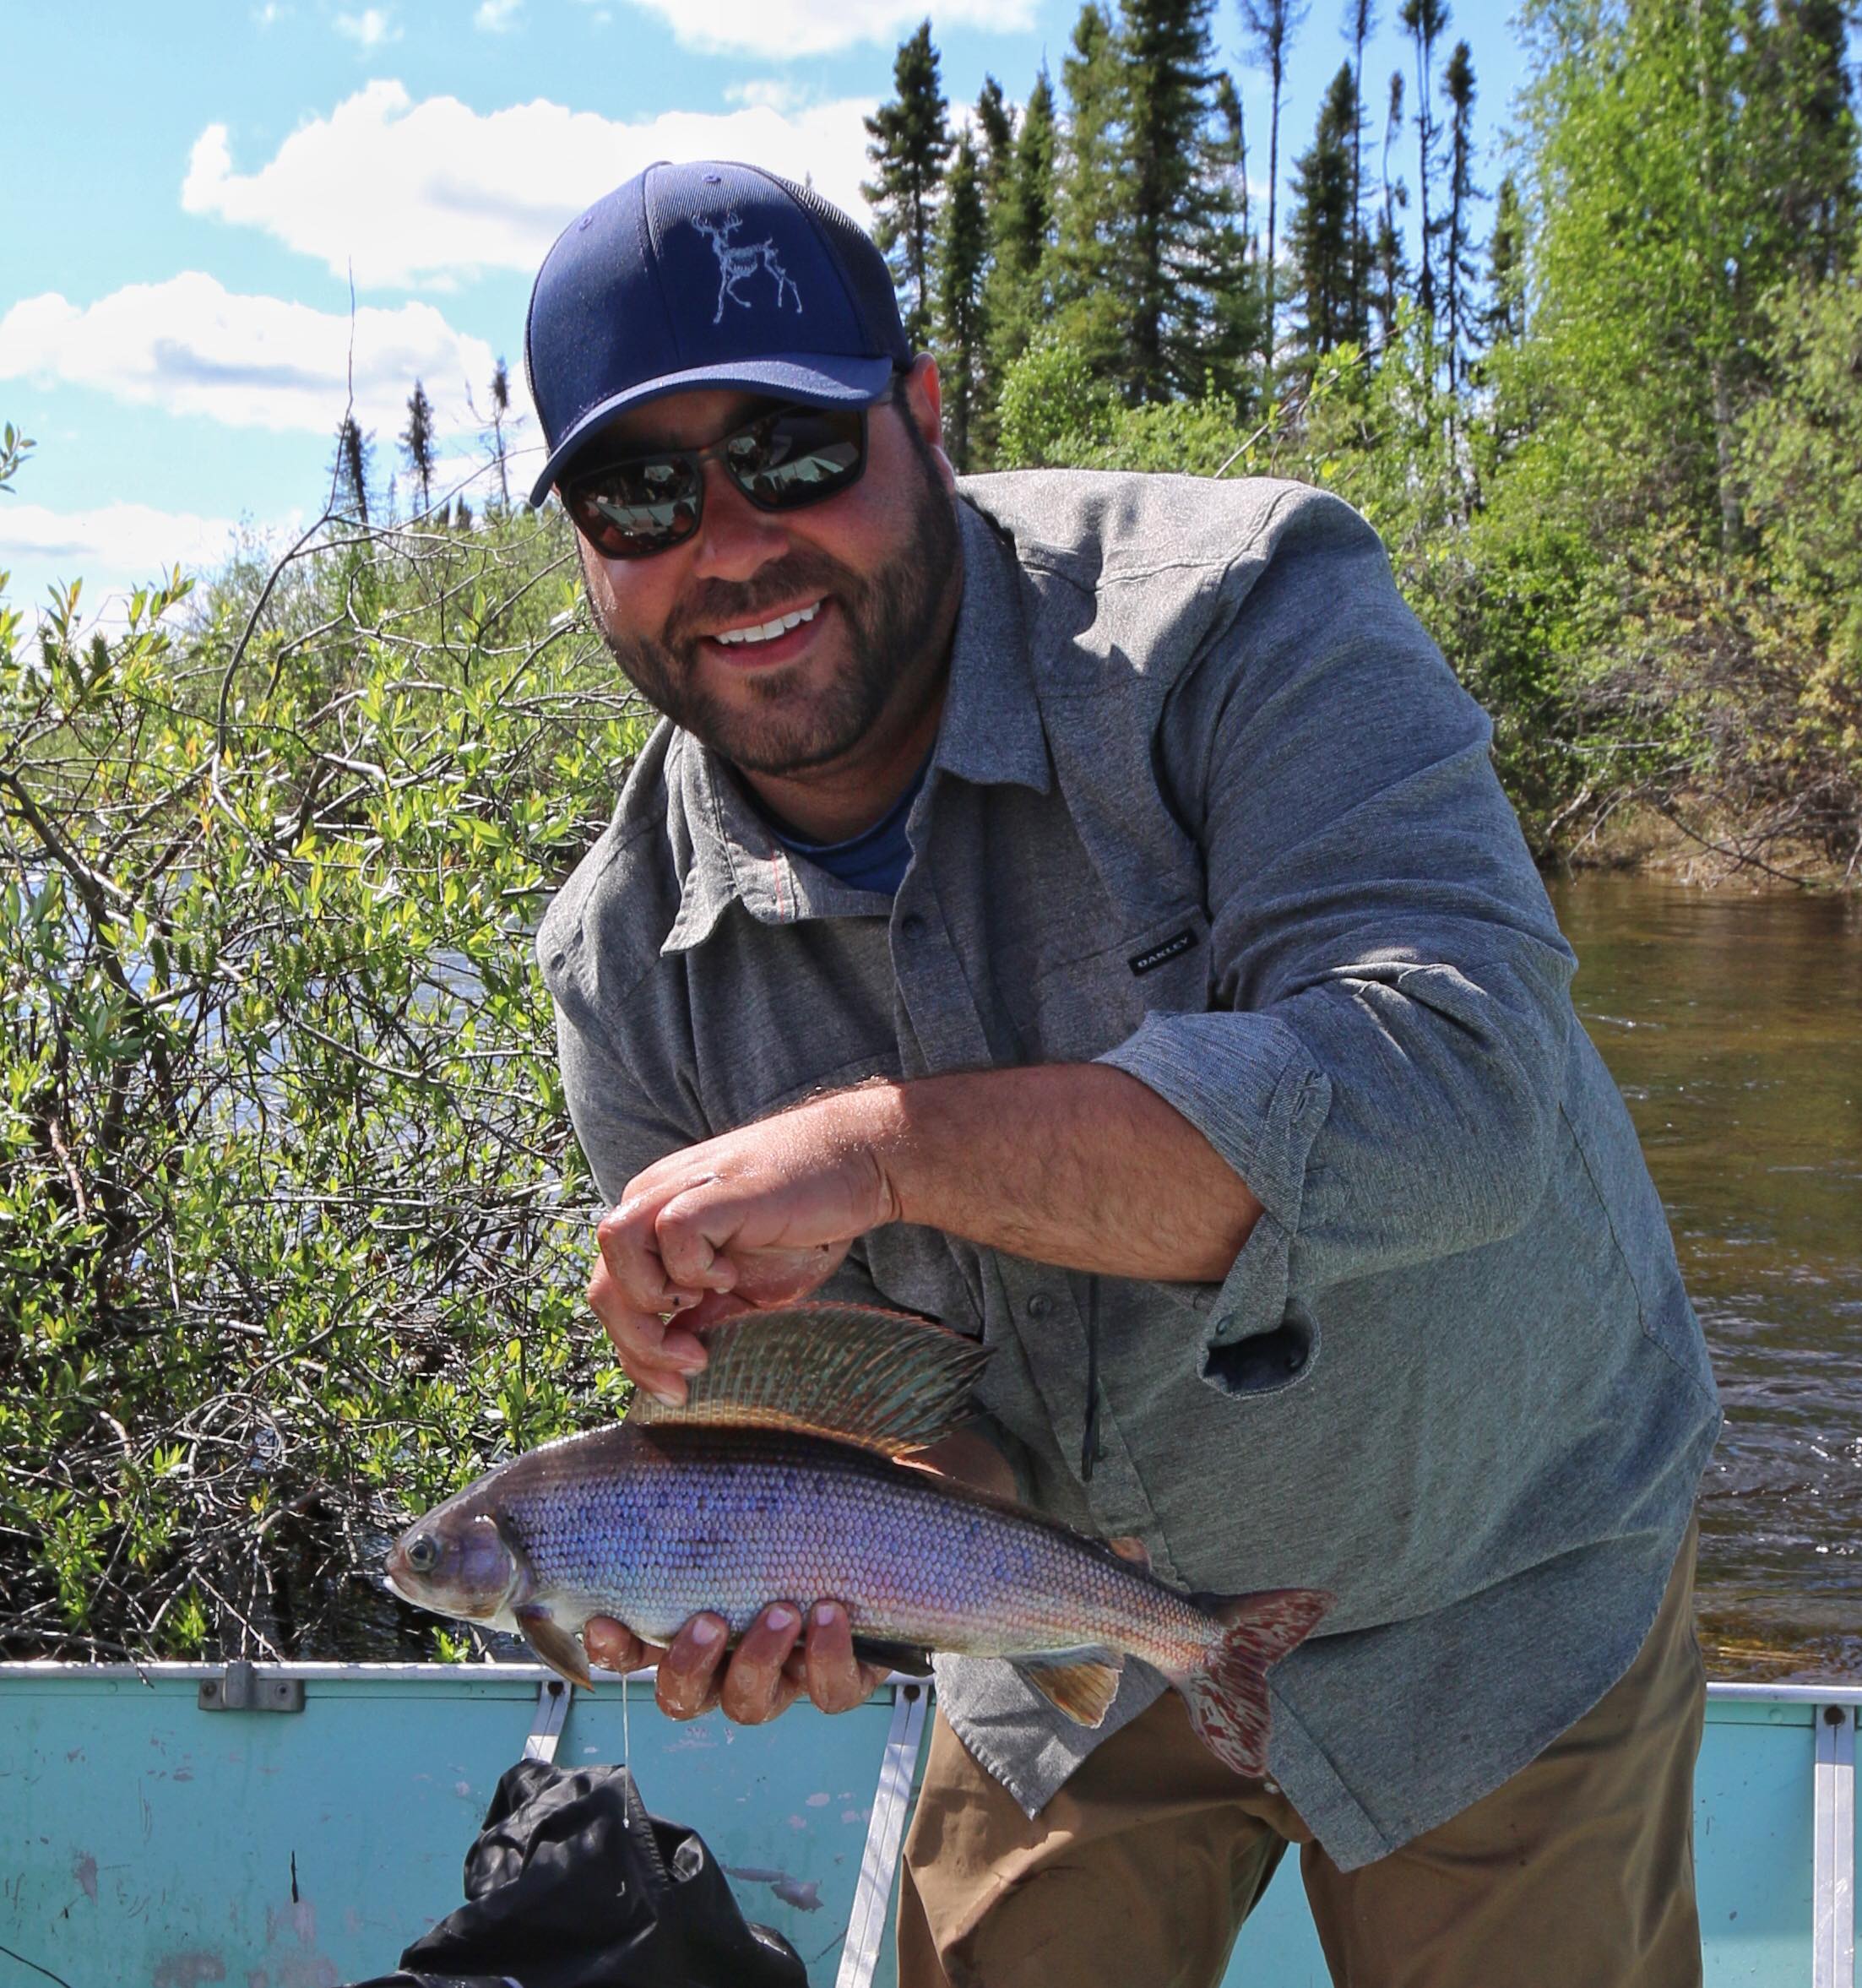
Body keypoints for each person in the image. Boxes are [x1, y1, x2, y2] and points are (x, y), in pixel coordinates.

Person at [523, 159, 1722, 1988]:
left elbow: (1466, 1101)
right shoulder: (624, 970)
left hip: (1491, 1575)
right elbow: (907, 1436)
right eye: (639, 491)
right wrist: (826, 1573)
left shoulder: (1241, 620)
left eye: (788, 454)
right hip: (1066, 1634)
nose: (731, 544)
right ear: (588, 550)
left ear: (920, 422)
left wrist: (884, 1150)